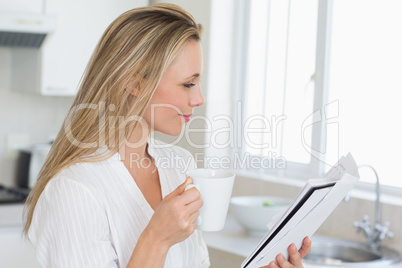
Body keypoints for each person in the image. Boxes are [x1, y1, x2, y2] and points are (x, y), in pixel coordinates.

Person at [23, 4, 311, 268]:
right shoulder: (75, 190)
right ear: (134, 82)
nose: (199, 98)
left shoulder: (178, 165)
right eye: (188, 84)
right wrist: (156, 239)